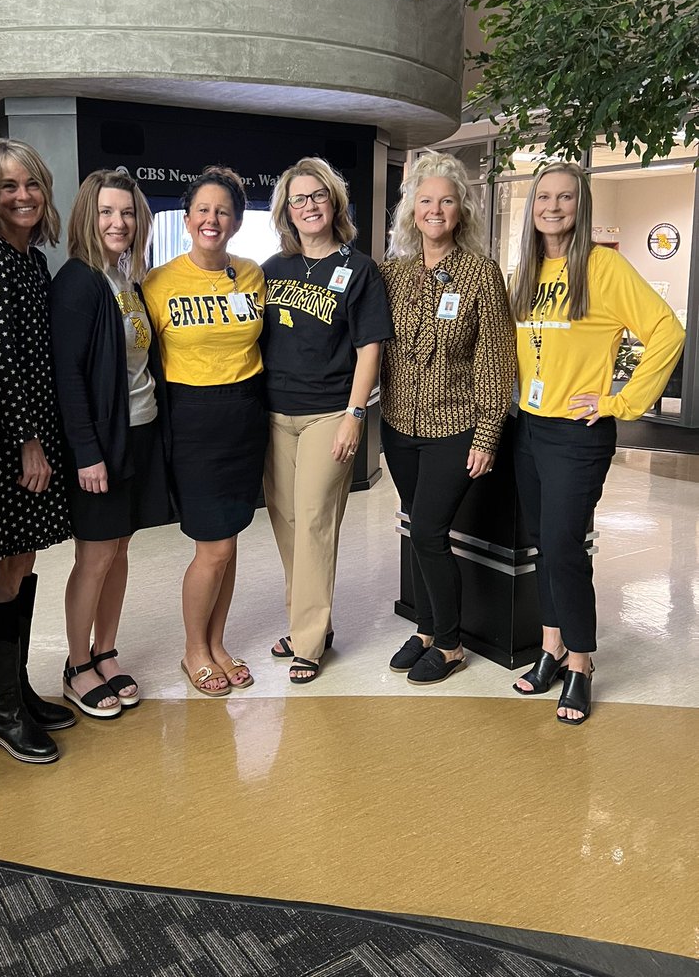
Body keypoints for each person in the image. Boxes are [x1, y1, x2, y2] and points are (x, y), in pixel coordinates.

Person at [510, 160, 684, 723]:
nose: (553, 207)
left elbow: (667, 330)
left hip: (577, 435)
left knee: (564, 547)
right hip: (530, 427)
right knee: (542, 542)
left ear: (580, 207)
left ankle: (580, 664)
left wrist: (621, 401)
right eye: (543, 198)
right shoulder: (527, 273)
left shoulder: (603, 267)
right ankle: (550, 647)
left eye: (565, 198)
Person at [379, 151, 516, 685]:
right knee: (417, 528)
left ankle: (452, 644)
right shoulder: (393, 273)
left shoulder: (480, 274)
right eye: (426, 200)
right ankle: (426, 630)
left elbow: (496, 361)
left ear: (462, 212)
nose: (435, 209)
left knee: (432, 531)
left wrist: (486, 434)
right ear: (412, 209)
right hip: (398, 426)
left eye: (447, 201)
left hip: (454, 430)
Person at [0, 140, 74, 764]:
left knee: (23, 569)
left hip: (34, 436)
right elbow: (0, 365)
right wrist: (30, 442)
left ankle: (17, 691)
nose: (23, 195)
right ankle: (3, 712)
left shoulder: (30, 258)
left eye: (30, 184)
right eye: (7, 187)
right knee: (6, 574)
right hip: (9, 443)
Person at [262, 157, 392, 684]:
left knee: (314, 520)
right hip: (274, 413)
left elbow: (370, 347)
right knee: (288, 525)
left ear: (334, 202)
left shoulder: (359, 269)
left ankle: (309, 641)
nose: (309, 205)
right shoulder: (271, 270)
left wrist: (355, 416)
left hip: (329, 413)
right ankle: (308, 621)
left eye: (318, 196)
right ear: (286, 210)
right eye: (299, 198)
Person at [50, 169, 170, 718]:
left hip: (138, 435)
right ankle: (77, 666)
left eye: (126, 213)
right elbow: (67, 376)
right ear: (87, 217)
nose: (118, 222)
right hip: (102, 444)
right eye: (106, 212)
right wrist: (87, 453)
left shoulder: (126, 278)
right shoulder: (78, 281)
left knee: (120, 551)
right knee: (95, 555)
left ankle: (106, 651)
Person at [143, 166, 266, 696]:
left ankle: (218, 643)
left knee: (230, 542)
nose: (212, 219)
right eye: (203, 210)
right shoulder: (157, 283)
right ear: (188, 217)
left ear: (236, 221)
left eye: (223, 211)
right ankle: (194, 650)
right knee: (211, 548)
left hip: (244, 416)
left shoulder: (253, 274)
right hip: (192, 421)